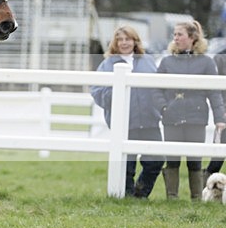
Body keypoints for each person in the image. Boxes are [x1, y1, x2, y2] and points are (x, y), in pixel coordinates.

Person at [153, 21, 226, 200]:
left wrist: (219, 118)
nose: (176, 38)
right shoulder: (167, 61)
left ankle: (197, 198)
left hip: (196, 117)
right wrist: (164, 107)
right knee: (172, 160)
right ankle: (172, 197)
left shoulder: (206, 63)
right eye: (174, 35)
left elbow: (214, 92)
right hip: (171, 117)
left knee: (195, 161)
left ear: (192, 38)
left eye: (180, 34)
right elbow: (155, 89)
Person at [91, 26, 163, 198]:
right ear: (115, 42)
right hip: (123, 122)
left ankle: (140, 193)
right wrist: (114, 94)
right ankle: (128, 197)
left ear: (135, 41)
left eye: (128, 39)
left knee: (156, 160)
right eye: (120, 40)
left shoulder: (147, 60)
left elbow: (158, 87)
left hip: (149, 120)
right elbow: (97, 91)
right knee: (126, 165)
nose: (124, 43)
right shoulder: (107, 64)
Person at [204, 52, 226, 177]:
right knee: (217, 157)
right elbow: (216, 89)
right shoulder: (220, 59)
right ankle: (207, 185)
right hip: (224, 114)